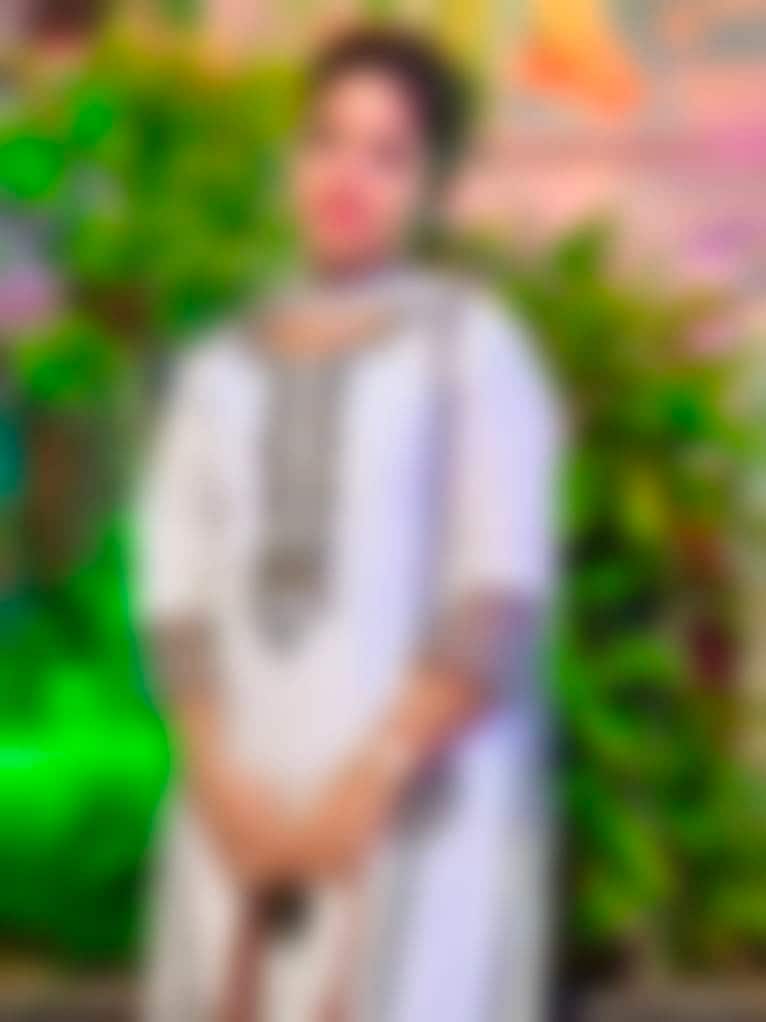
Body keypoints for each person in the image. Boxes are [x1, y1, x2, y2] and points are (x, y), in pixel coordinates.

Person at [140, 26, 560, 1022]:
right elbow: (173, 590)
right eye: (326, 140)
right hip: (237, 805)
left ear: (432, 186)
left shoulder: (472, 346)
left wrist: (367, 787)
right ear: (292, 160)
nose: (347, 176)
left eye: (387, 154)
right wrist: (217, 779)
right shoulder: (216, 366)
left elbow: (497, 591)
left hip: (419, 814)